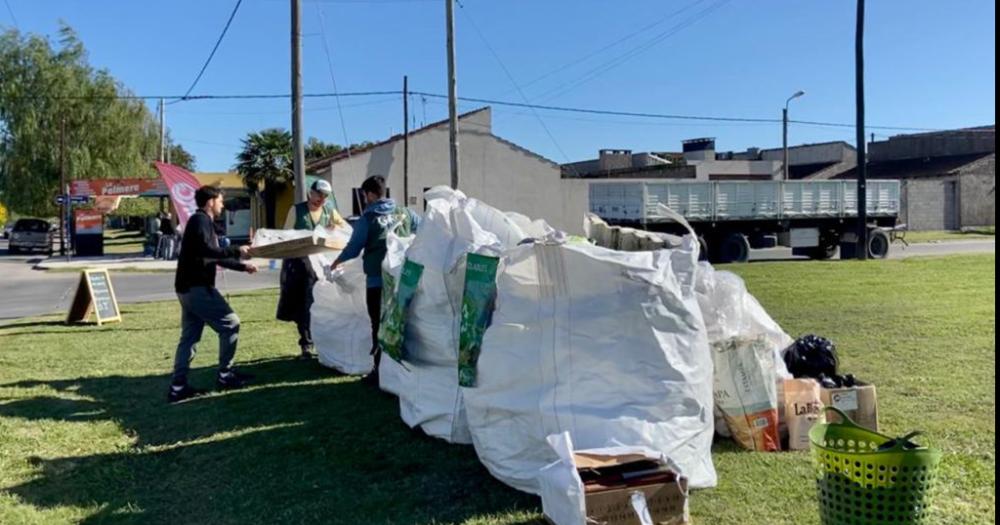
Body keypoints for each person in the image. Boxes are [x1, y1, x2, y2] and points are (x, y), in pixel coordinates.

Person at [168, 185, 258, 403]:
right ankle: (225, 375)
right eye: (220, 200)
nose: (222, 204)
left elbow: (212, 256)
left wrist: (241, 266)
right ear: (210, 202)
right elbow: (207, 251)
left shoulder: (203, 222)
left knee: (189, 338)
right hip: (197, 288)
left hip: (188, 289)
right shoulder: (200, 221)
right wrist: (237, 250)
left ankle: (178, 387)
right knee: (231, 324)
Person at [331, 175, 419, 385]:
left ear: (370, 194)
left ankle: (380, 372)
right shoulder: (405, 213)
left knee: (378, 325)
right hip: (403, 281)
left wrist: (337, 261)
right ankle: (404, 371)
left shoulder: (368, 218)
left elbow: (354, 247)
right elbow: (423, 229)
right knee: (402, 323)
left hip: (378, 282)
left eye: (365, 195)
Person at [277, 179, 347, 359]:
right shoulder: (297, 210)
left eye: (324, 197)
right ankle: (306, 343)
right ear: (310, 192)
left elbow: (344, 228)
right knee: (302, 304)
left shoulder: (329, 211)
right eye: (318, 195)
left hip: (320, 264)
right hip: (298, 263)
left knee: (319, 302)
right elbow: (285, 234)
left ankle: (320, 340)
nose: (320, 200)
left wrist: (334, 228)